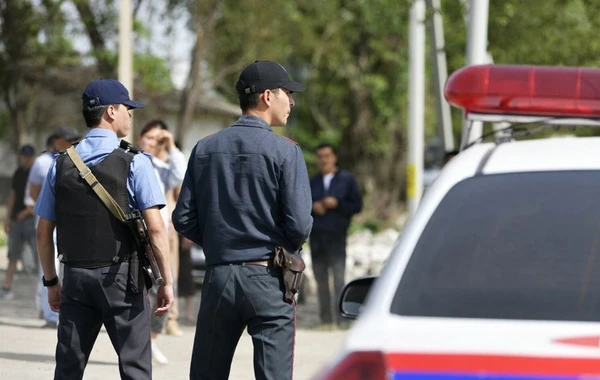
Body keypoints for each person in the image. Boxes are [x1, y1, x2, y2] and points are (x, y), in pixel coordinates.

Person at [173, 60, 313, 380]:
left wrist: (221, 241)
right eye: (287, 93)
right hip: (268, 277)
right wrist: (279, 248)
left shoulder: (205, 148)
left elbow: (182, 218)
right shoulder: (286, 152)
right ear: (267, 96)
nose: (291, 101)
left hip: (218, 276)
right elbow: (300, 226)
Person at [34, 78, 174, 379]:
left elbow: (43, 232)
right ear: (111, 111)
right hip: (122, 281)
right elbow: (156, 228)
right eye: (127, 109)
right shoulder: (135, 162)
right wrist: (166, 281)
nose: (129, 115)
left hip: (75, 277)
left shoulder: (59, 164)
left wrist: (51, 282)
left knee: (68, 370)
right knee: (135, 369)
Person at [138, 119, 186, 364]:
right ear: (140, 138)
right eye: (149, 137)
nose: (153, 143)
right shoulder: (131, 162)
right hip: (137, 234)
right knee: (139, 289)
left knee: (164, 287)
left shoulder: (160, 167)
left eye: (158, 140)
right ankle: (137, 342)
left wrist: (171, 145)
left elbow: (181, 173)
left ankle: (153, 340)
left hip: (161, 234)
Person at [27, 127, 81, 328]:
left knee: (71, 268)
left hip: (70, 222)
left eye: (73, 139)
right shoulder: (42, 162)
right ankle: (51, 316)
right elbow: (33, 190)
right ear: (56, 140)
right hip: (48, 219)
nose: (70, 143)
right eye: (67, 140)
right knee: (48, 268)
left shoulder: (80, 158)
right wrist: (47, 208)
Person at [309, 143, 362, 325]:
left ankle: (342, 319)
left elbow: (357, 205)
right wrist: (312, 206)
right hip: (316, 238)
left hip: (337, 238)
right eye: (320, 156)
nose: (324, 160)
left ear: (334, 157)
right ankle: (325, 320)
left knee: (339, 280)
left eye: (327, 156)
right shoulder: (312, 182)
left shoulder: (346, 180)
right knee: (321, 282)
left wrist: (337, 204)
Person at [0, 144, 37, 299]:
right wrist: (8, 218)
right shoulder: (18, 173)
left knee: (39, 256)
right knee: (13, 255)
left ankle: (41, 291)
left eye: (29, 156)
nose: (26, 159)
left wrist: (27, 211)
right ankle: (7, 287)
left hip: (32, 219)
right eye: (24, 156)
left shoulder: (37, 173)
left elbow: (40, 197)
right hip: (16, 220)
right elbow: (12, 196)